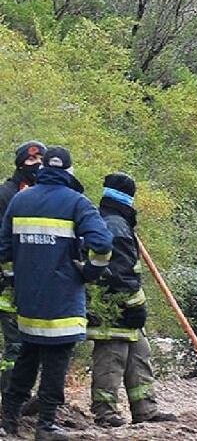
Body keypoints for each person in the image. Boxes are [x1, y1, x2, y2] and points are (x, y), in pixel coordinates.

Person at [0, 147, 113, 441]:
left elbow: (4, 250)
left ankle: (9, 419)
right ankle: (46, 425)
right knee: (56, 361)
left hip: (28, 299)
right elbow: (102, 244)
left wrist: (16, 278)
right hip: (62, 299)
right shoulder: (77, 203)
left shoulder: (20, 200)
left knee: (28, 353)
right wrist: (90, 272)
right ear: (69, 171)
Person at [87, 173, 176, 427]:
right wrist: (136, 306)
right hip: (111, 307)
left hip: (124, 306)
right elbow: (123, 275)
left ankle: (145, 410)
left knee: (139, 355)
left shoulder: (117, 223)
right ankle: (105, 412)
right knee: (111, 359)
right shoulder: (115, 227)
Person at [0, 141, 46, 394]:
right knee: (15, 346)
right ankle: (11, 397)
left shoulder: (45, 194)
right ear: (20, 163)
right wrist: (10, 274)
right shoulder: (6, 194)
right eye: (30, 160)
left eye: (41, 158)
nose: (36, 164)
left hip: (37, 284)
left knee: (35, 345)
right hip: (9, 287)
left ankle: (25, 396)